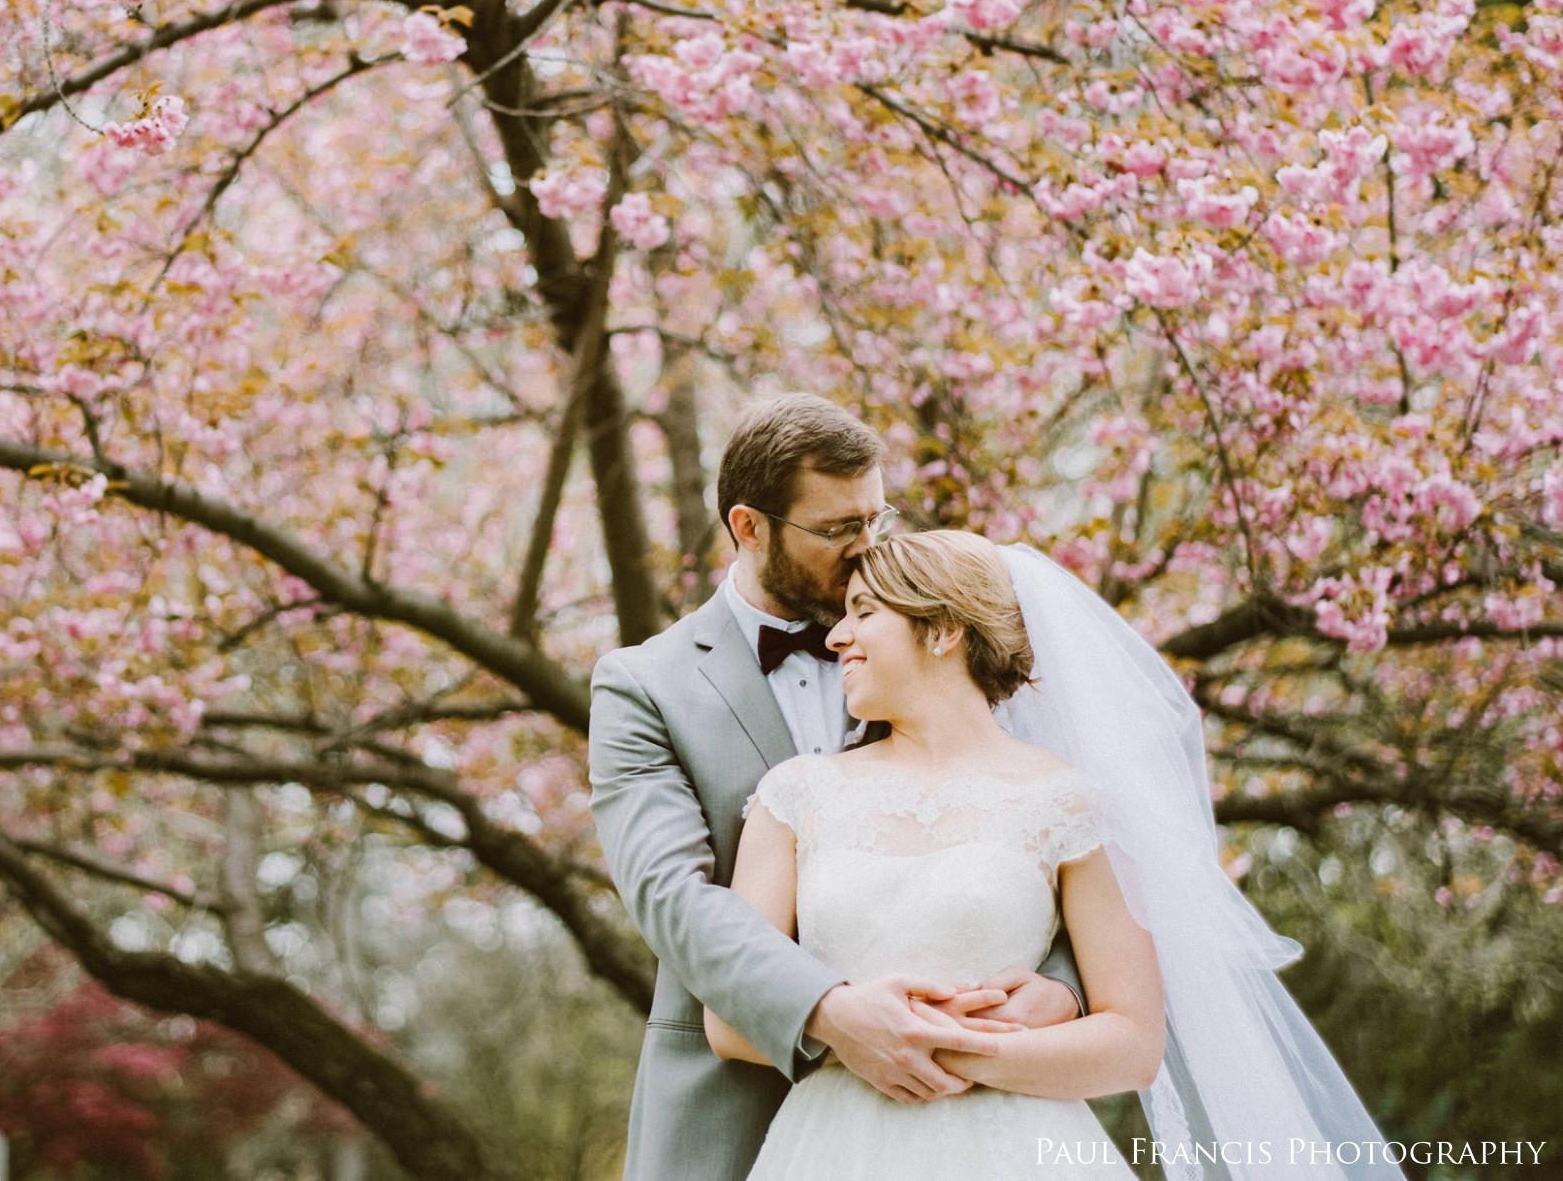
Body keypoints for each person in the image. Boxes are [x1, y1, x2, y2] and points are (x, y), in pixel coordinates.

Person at [716, 531, 1402, 1180]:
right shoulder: (795, 796)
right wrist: (854, 1034)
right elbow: (728, 1020)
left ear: (944, 628)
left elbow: (1133, 1044)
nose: (836, 635)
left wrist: (953, 1050)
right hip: (835, 1150)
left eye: (863, 611)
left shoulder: (1070, 804)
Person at [588, 397, 1086, 1181]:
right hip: (731, 1101)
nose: (865, 550)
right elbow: (672, 899)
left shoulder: (930, 643)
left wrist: (1062, 990)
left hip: (976, 1097)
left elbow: (1031, 836)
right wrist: (827, 1010)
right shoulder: (644, 686)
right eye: (836, 530)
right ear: (749, 528)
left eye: (875, 520)